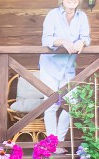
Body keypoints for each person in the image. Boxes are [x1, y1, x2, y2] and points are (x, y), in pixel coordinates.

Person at [39, 0, 91, 147]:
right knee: (50, 105)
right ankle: (52, 144)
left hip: (68, 68)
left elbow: (86, 37)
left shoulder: (82, 16)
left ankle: (60, 142)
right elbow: (46, 39)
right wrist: (62, 41)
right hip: (50, 67)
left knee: (71, 104)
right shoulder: (53, 15)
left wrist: (82, 42)